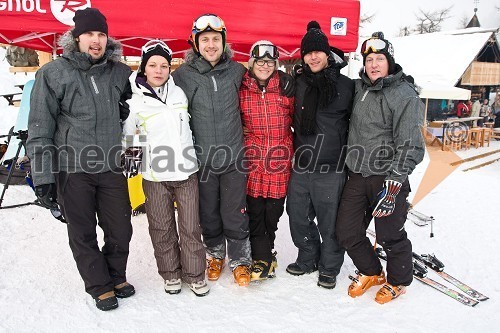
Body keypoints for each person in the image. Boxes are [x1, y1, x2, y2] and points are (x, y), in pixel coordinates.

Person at [26, 8, 134, 311]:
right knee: (82, 231)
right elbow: (40, 128)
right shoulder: (53, 73)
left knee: (121, 229)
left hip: (111, 165)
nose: (96, 40)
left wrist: (126, 109)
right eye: (89, 34)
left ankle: (116, 276)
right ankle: (99, 285)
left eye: (101, 34)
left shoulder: (120, 72)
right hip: (73, 169)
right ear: (76, 37)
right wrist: (44, 177)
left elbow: (138, 113)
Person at [336, 32, 425, 304]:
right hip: (357, 175)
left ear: (390, 61)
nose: (373, 64)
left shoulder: (403, 94)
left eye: (379, 59)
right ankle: (372, 271)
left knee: (390, 236)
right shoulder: (359, 88)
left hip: (388, 179)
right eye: (369, 59)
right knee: (347, 232)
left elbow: (411, 145)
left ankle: (398, 281)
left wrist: (393, 186)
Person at [171, 13, 253, 286]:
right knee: (208, 213)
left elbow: (263, 87)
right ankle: (215, 254)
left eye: (215, 39)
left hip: (233, 158)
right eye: (204, 39)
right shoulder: (182, 75)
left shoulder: (237, 71)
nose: (210, 45)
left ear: (224, 41)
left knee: (234, 211)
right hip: (202, 160)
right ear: (195, 43)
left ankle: (240, 259)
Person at [122, 40, 209, 296]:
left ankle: (194, 274)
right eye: (153, 65)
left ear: (170, 69)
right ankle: (170, 274)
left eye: (163, 65)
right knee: (161, 227)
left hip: (186, 172)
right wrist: (130, 165)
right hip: (155, 175)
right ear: (143, 67)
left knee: (191, 227)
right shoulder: (135, 101)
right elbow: (131, 136)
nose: (158, 70)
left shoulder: (179, 93)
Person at [285, 21, 354, 289]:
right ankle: (308, 257)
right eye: (308, 52)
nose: (313, 56)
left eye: (318, 52)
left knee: (330, 222)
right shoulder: (298, 83)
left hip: (331, 168)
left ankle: (329, 266)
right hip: (302, 165)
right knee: (297, 216)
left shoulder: (347, 86)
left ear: (327, 54)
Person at [239, 41, 294, 281]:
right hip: (252, 161)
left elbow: (299, 117)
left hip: (279, 161)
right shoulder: (241, 88)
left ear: (276, 65)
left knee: (273, 214)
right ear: (251, 63)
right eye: (260, 61)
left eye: (270, 62)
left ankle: (264, 252)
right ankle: (261, 258)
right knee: (254, 213)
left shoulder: (285, 88)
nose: (264, 66)